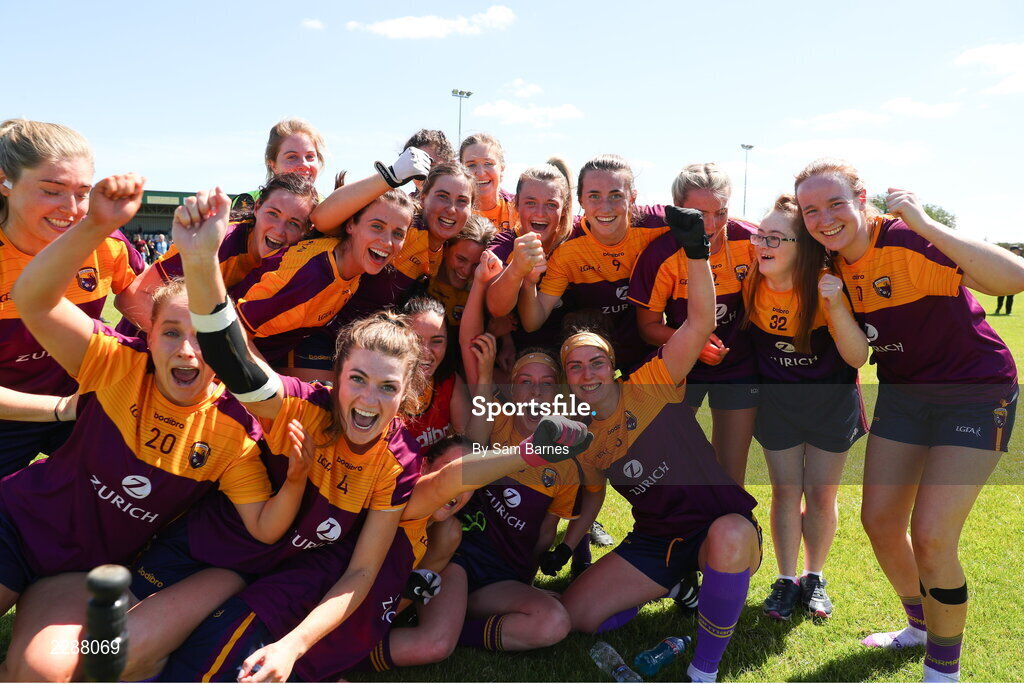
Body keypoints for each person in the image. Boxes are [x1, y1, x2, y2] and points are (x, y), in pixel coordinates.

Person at [1, 177, 309, 680]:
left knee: (41, 672)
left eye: (203, 339)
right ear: (149, 334)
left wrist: (295, 479)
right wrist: (98, 224)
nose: (187, 351)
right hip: (16, 527)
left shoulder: (233, 431)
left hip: (83, 572)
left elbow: (264, 527)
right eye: (170, 333)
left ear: (226, 351)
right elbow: (33, 298)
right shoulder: (116, 363)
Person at [794, 159, 1023, 682]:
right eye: (811, 210)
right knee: (879, 521)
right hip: (903, 395)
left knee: (933, 535)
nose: (824, 218)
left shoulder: (905, 238)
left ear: (861, 199)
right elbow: (856, 358)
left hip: (975, 392)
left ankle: (943, 670)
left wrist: (924, 222)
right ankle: (919, 626)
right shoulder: (829, 268)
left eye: (835, 204)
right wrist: (836, 308)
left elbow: (1015, 277)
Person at [558, 206, 761, 684]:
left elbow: (698, 323)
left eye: (597, 363)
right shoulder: (580, 434)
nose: (588, 374)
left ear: (612, 365)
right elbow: (588, 498)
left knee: (730, 536)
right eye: (575, 367)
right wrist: (566, 546)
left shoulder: (652, 381)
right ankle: (672, 587)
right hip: (659, 541)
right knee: (578, 616)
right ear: (567, 379)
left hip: (721, 530)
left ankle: (703, 668)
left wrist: (697, 252)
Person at [740, 194, 868, 620]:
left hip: (831, 406)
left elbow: (856, 357)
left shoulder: (827, 285)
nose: (763, 244)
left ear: (804, 248)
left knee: (820, 494)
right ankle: (785, 578)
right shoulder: (752, 282)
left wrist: (834, 304)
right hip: (778, 407)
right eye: (761, 235)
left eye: (776, 238)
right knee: (784, 492)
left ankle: (814, 578)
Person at [0, 118, 139, 476]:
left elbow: (145, 310)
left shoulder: (105, 241)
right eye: (52, 190)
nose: (72, 208)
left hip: (84, 403)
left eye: (81, 192)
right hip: (15, 412)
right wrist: (61, 407)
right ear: (5, 181)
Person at [629, 163, 759, 485]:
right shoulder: (660, 255)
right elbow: (647, 327)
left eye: (722, 212)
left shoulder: (751, 240)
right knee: (676, 466)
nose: (712, 224)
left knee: (731, 473)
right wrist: (694, 342)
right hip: (683, 367)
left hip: (739, 365)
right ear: (678, 209)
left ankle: (735, 530)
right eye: (700, 215)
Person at [517, 155, 668, 371]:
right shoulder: (568, 249)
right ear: (580, 200)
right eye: (594, 196)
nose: (605, 208)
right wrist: (528, 281)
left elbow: (708, 219)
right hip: (594, 363)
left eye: (616, 196)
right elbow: (533, 321)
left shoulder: (658, 225)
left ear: (632, 197)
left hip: (649, 355)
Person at [116, 172, 319, 330]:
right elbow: (131, 297)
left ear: (306, 231)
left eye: (293, 223)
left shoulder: (298, 262)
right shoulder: (219, 240)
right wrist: (192, 346)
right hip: (143, 349)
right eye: (273, 214)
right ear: (256, 207)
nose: (279, 230)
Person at [232, 117, 326, 213]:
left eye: (310, 156)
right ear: (273, 165)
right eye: (292, 157)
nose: (304, 164)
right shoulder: (248, 200)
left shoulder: (326, 205)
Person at [426, 214, 496, 327]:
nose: (467, 271)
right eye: (461, 259)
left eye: (476, 265)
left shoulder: (485, 292)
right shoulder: (421, 276)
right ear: (446, 249)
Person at [460, 133, 517, 231]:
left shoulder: (519, 209)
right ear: (460, 170)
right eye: (471, 165)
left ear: (502, 169)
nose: (481, 173)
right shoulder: (452, 212)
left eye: (488, 163)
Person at [994, 245, 1022, 314]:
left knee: (1010, 297)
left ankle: (1008, 311)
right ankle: (998, 309)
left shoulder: (1020, 259)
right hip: (1003, 280)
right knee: (1001, 296)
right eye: (1018, 250)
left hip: (1013, 281)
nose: (1019, 251)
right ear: (1013, 250)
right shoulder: (1005, 257)